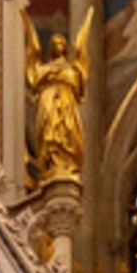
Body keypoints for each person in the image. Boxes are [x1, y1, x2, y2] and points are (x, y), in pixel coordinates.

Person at [25, 13, 92, 182]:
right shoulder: (44, 68)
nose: (58, 46)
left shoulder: (71, 69)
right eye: (55, 44)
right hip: (48, 101)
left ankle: (67, 164)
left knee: (67, 132)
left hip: (67, 102)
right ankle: (51, 163)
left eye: (61, 43)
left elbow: (80, 75)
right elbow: (34, 72)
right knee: (49, 135)